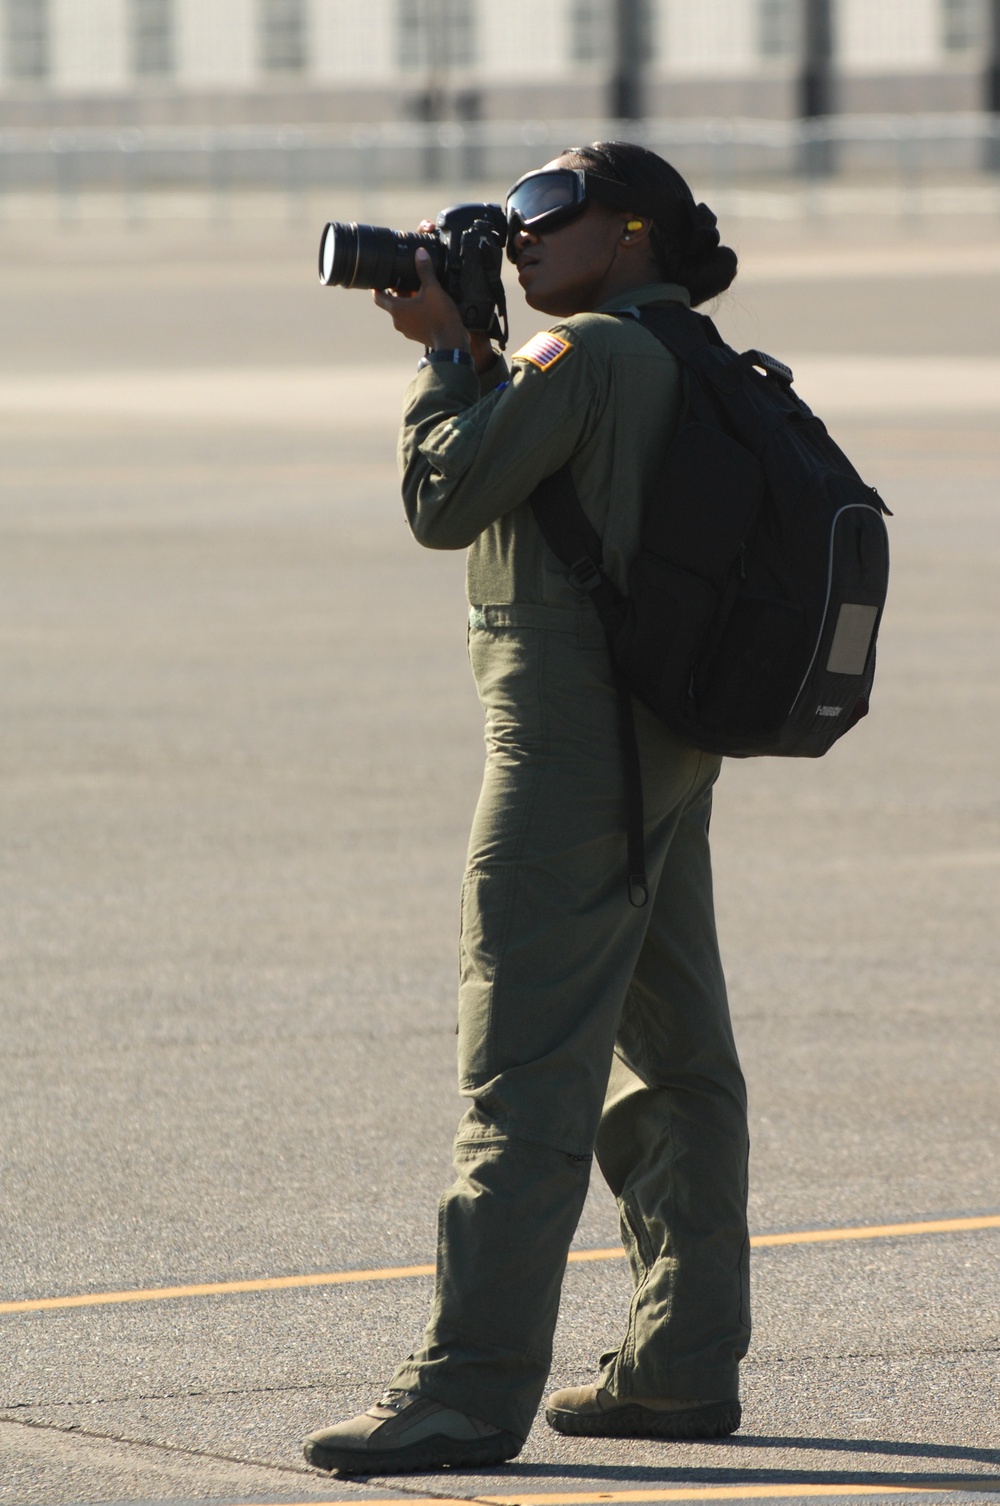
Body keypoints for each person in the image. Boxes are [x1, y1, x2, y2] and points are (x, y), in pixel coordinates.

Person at [303, 140, 750, 1477]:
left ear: (633, 236)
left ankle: (465, 1385)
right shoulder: (685, 356)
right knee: (678, 1058)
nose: (523, 234)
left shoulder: (592, 356)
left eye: (551, 213)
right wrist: (474, 344)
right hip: (661, 747)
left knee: (522, 1066)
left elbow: (447, 494)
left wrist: (445, 356)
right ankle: (680, 1363)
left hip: (564, 758)